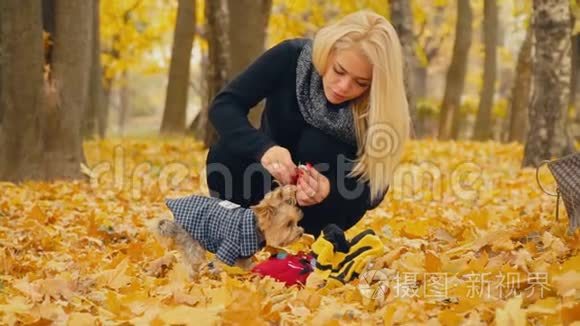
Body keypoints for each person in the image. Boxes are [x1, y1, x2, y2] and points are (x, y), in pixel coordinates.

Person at [205, 10, 410, 237]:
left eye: (361, 83)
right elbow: (225, 105)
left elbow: (375, 190)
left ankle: (303, 248)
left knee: (320, 144)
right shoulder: (290, 57)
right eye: (339, 70)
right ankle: (237, 232)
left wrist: (329, 189)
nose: (343, 87)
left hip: (320, 212)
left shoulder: (380, 105)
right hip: (260, 188)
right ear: (328, 51)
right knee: (225, 151)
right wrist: (264, 148)